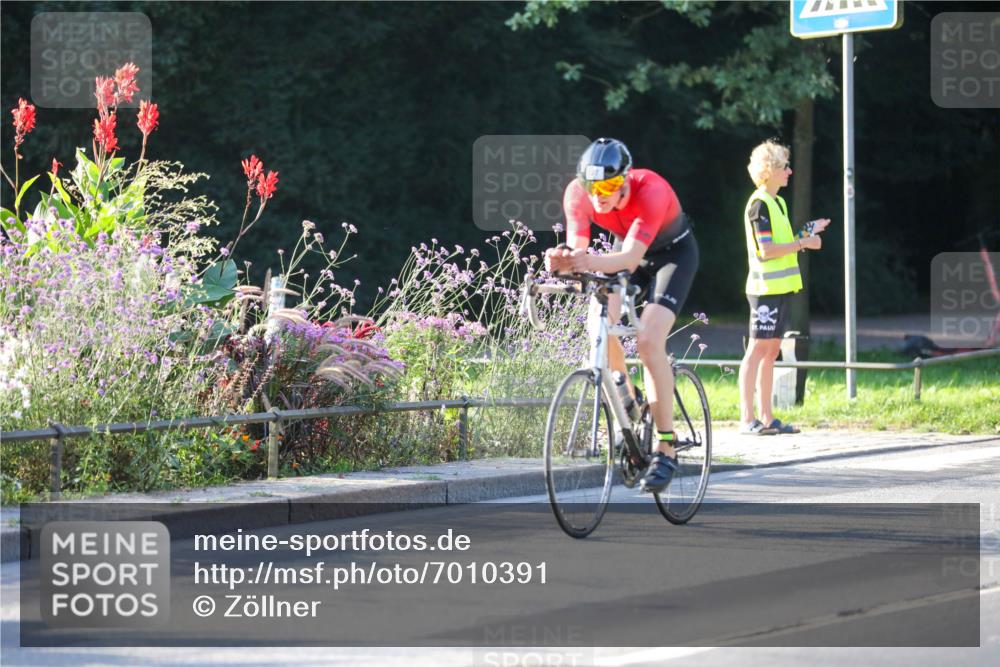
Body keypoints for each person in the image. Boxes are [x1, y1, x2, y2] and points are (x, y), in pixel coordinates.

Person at [544, 138, 698, 493]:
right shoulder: (576, 194)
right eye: (592, 186)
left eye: (610, 186)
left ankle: (666, 445)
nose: (599, 195)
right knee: (597, 323)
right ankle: (629, 400)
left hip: (671, 256)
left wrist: (580, 262)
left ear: (626, 180)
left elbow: (629, 259)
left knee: (648, 340)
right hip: (623, 252)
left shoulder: (652, 191)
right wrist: (562, 260)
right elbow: (578, 249)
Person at [738, 140, 830, 435]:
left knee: (771, 350)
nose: (790, 172)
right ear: (770, 170)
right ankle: (747, 419)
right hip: (764, 290)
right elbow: (767, 250)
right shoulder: (759, 205)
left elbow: (783, 242)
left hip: (780, 289)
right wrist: (804, 242)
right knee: (756, 350)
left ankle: (767, 418)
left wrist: (805, 231)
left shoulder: (777, 202)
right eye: (785, 167)